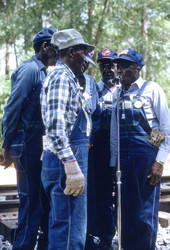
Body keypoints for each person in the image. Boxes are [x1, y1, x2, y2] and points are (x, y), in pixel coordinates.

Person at [1, 28, 58, 250]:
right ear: (45, 47)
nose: (58, 52)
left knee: (43, 201)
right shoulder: (30, 70)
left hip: (39, 144)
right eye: (55, 47)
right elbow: (13, 108)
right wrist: (7, 145)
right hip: (27, 143)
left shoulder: (44, 71)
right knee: (31, 201)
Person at [110, 48, 170, 250]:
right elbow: (114, 131)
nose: (119, 71)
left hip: (146, 158)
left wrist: (159, 162)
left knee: (144, 212)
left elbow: (166, 129)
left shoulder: (151, 89)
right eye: (118, 66)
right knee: (124, 208)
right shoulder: (118, 93)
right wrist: (113, 161)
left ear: (137, 69)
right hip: (123, 160)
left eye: (124, 66)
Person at [40, 28, 95, 250]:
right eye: (84, 53)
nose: (87, 60)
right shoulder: (62, 78)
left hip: (66, 160)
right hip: (66, 162)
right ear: (72, 52)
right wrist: (71, 166)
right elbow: (55, 127)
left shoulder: (68, 78)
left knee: (69, 225)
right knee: (69, 229)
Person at [85, 48, 118, 250]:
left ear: (117, 67)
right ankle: (102, 236)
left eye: (111, 65)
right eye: (104, 66)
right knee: (100, 194)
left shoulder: (125, 91)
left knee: (122, 194)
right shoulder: (93, 90)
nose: (108, 70)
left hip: (122, 150)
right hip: (98, 150)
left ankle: (117, 234)